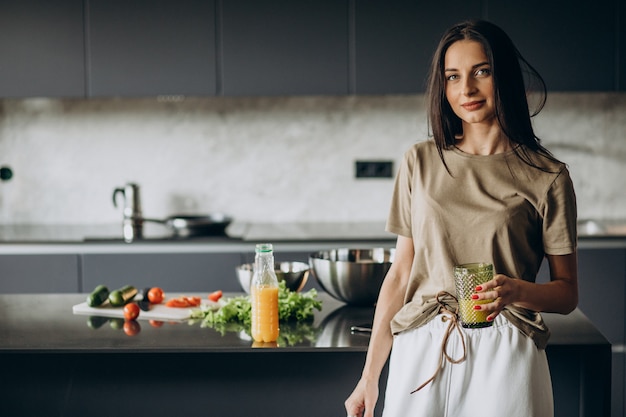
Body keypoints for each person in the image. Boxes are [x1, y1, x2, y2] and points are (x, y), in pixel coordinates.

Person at [344, 19, 578, 417]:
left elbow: (567, 293)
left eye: (481, 72)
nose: (466, 89)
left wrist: (516, 291)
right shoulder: (420, 161)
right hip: (421, 346)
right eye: (453, 76)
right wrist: (369, 377)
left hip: (506, 351)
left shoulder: (547, 176)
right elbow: (400, 275)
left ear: (503, 76)